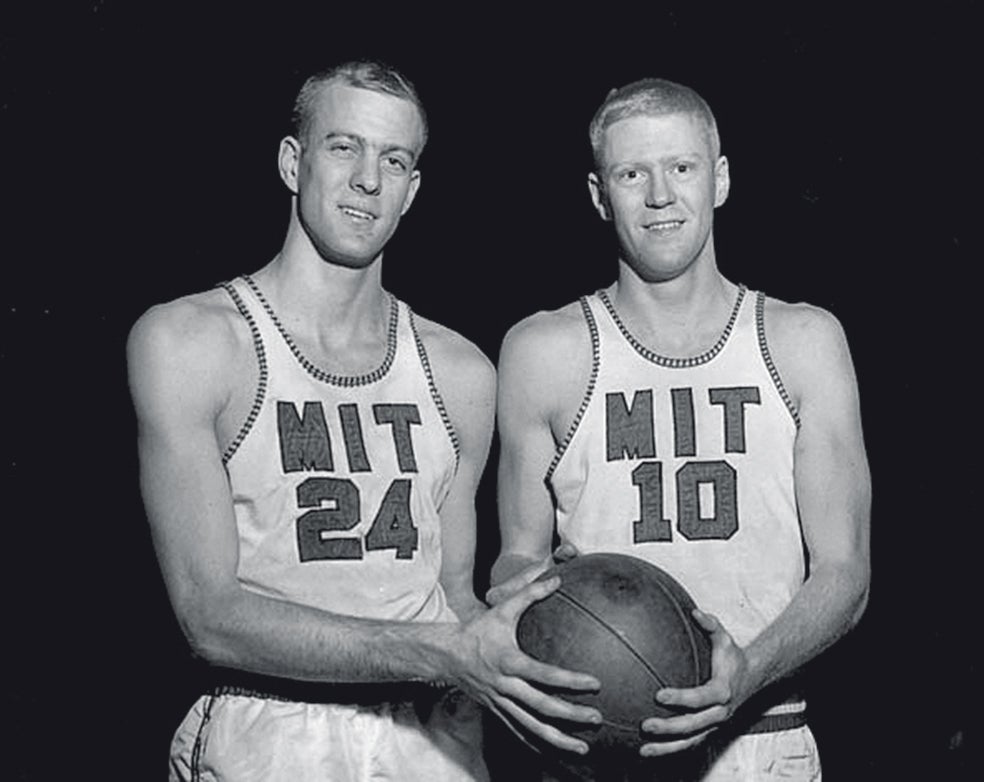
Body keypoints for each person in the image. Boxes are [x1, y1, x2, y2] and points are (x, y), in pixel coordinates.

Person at [127, 60, 602, 782]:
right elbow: (209, 615)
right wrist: (439, 653)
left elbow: (452, 597)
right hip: (269, 731)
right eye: (344, 147)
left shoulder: (460, 372)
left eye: (394, 159)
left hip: (433, 740)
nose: (367, 180)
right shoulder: (192, 342)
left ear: (412, 190)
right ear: (293, 162)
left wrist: (545, 620)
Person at [489, 77, 871, 781]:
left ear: (720, 179)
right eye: (632, 173)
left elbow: (845, 573)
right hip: (601, 751)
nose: (660, 195)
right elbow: (515, 555)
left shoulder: (802, 340)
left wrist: (744, 674)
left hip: (765, 737)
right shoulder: (542, 351)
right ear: (601, 196)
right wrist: (534, 597)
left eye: (682, 168)